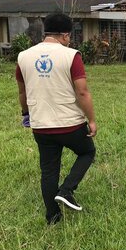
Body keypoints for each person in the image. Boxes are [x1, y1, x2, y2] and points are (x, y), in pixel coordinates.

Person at [16, 13, 97, 224]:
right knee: (87, 151)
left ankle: (52, 216)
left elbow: (22, 93)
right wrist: (92, 120)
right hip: (70, 124)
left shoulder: (23, 57)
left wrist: (26, 114)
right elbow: (82, 92)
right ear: (65, 35)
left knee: (49, 170)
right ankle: (67, 190)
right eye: (69, 36)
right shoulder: (71, 55)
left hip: (41, 125)